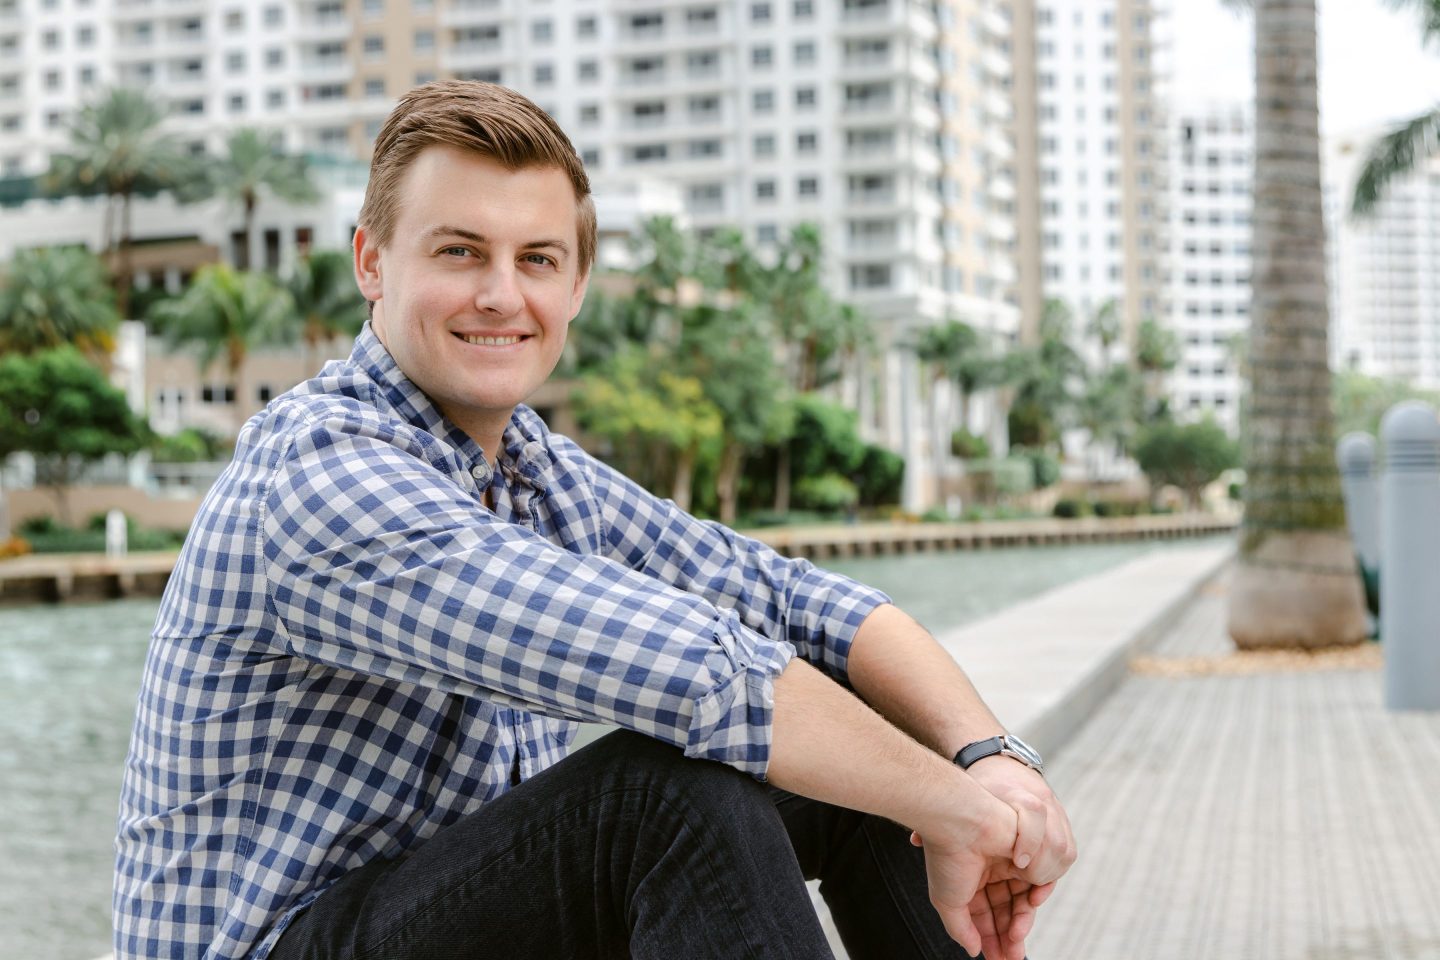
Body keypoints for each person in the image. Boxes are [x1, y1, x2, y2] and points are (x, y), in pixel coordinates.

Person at [114, 80, 1075, 960]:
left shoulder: (532, 470)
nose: (502, 294)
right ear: (371, 262)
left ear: (574, 287)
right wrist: (973, 818)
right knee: (665, 801)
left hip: (410, 923)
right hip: (270, 943)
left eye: (536, 259)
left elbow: (800, 605)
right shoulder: (325, 478)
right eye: (458, 252)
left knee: (869, 755)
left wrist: (993, 766)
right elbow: (705, 676)